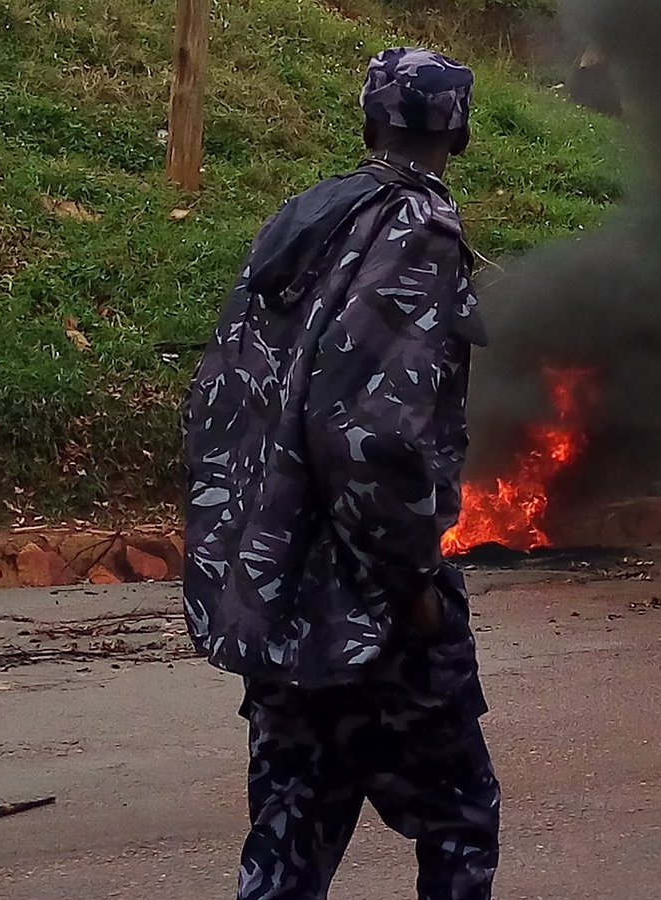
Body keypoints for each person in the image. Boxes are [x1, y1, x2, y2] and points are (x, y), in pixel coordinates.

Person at [182, 47, 499, 900]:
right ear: (459, 133)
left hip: (277, 585)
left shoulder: (306, 219)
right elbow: (368, 436)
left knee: (287, 842)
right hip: (367, 602)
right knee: (459, 819)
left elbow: (222, 398)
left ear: (368, 121)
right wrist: (412, 581)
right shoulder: (417, 232)